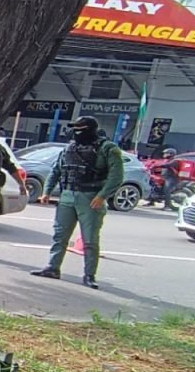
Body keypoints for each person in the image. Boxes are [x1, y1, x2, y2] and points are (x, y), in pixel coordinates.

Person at [30, 116, 125, 290]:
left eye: (81, 128)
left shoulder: (108, 149)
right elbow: (56, 170)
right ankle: (52, 267)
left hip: (91, 197)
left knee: (89, 239)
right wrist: (47, 191)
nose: (77, 132)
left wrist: (103, 196)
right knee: (60, 235)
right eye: (75, 128)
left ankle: (89, 275)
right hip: (67, 196)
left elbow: (117, 176)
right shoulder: (69, 148)